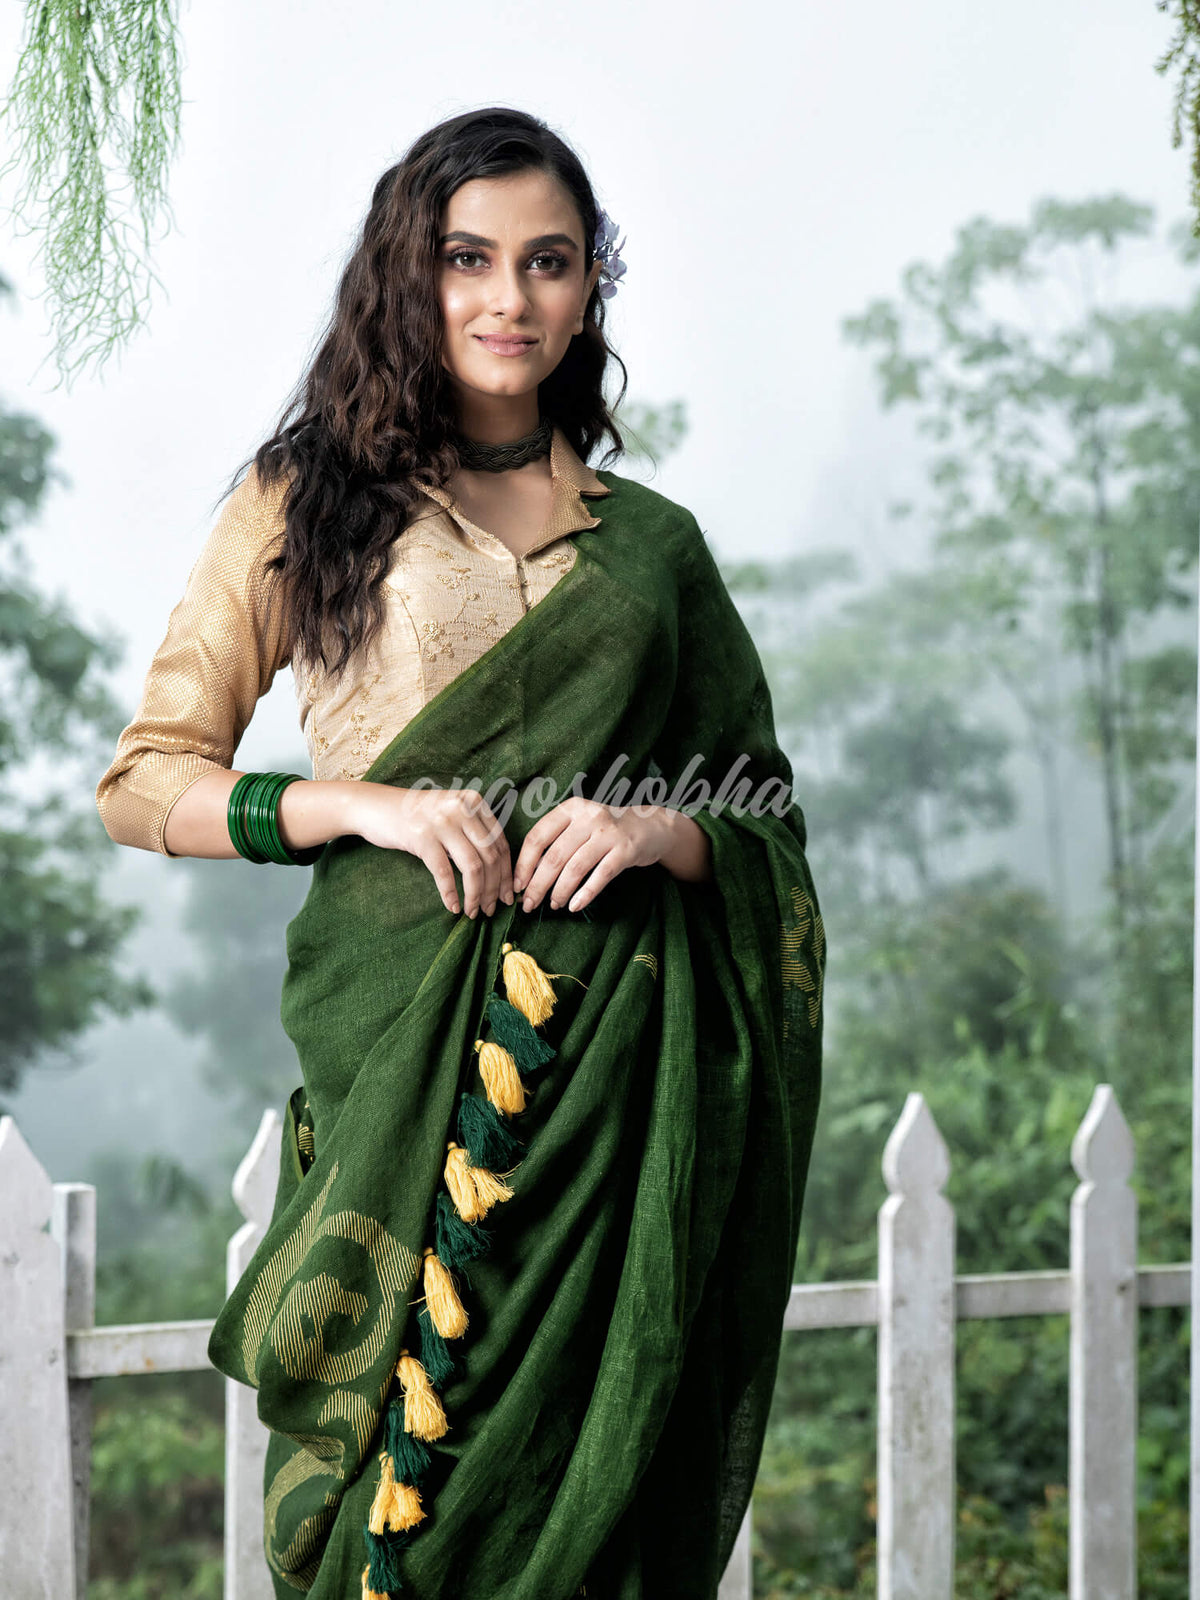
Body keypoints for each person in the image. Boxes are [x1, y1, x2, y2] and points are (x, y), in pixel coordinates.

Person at [96, 105, 826, 1600]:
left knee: (595, 1492)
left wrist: (656, 830)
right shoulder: (306, 503)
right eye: (468, 259)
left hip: (614, 1097)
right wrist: (358, 806)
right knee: (403, 1503)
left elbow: (763, 816)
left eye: (548, 261)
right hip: (399, 1060)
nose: (510, 298)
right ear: (406, 276)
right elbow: (144, 783)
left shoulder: (654, 547)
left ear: (590, 283)